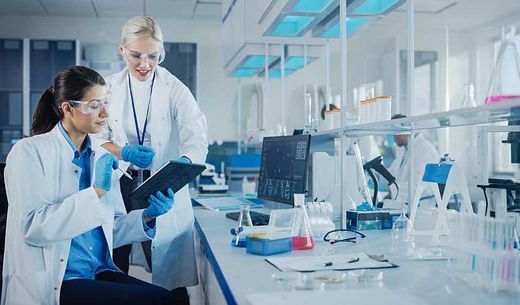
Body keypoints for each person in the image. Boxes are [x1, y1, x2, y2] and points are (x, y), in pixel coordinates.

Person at [1, 66, 182, 305]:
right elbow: (35, 228)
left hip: (97, 271)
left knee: (171, 297)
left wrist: (148, 216)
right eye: (94, 105)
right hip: (57, 281)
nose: (105, 112)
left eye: (105, 102)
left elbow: (110, 230)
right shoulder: (28, 153)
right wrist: (95, 192)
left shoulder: (100, 157)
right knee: (160, 302)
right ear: (67, 108)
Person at [90, 16, 208, 300]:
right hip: (119, 186)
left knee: (169, 279)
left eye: (152, 56)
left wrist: (178, 170)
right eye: (136, 55)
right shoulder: (108, 89)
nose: (144, 64)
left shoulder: (175, 89)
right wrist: (123, 152)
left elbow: (197, 138)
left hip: (160, 188)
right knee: (113, 269)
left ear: (161, 53)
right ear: (122, 50)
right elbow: (94, 136)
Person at [388, 114, 439, 203]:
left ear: (402, 130)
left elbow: (418, 186)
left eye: (394, 134)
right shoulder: (404, 149)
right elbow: (392, 173)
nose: (393, 138)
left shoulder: (425, 150)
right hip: (402, 201)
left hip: (421, 206)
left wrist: (392, 189)